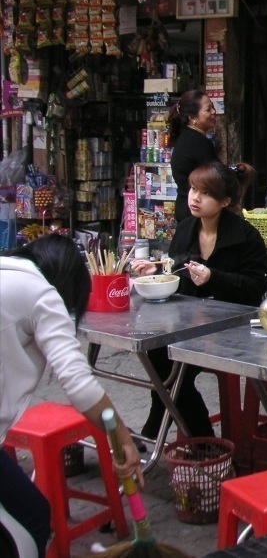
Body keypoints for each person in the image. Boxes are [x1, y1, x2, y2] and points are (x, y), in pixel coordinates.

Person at [0, 235, 143, 557]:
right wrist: (123, 439)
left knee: (28, 512)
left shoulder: (8, 271)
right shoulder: (40, 292)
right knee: (30, 518)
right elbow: (80, 385)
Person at [132, 161, 267, 440]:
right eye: (193, 189)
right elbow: (176, 271)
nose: (195, 197)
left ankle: (196, 438)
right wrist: (154, 271)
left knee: (173, 370)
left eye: (205, 193)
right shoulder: (185, 230)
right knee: (156, 354)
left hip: (233, 326)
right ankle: (194, 435)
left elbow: (255, 289)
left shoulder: (246, 237)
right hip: (189, 320)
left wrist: (213, 278)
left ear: (225, 201)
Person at [168, 89, 220, 222]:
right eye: (208, 109)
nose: (214, 112)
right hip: (197, 212)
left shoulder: (185, 137)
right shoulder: (199, 143)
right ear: (192, 118)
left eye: (213, 107)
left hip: (186, 208)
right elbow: (216, 178)